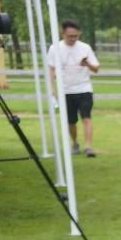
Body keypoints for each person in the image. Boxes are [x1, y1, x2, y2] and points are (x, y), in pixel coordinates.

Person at [46, 20, 100, 156]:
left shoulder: (85, 47)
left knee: (86, 118)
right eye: (70, 36)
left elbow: (96, 69)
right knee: (71, 121)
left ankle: (88, 147)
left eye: (76, 36)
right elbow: (51, 69)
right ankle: (75, 143)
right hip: (65, 90)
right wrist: (51, 88)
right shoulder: (54, 48)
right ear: (63, 33)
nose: (73, 39)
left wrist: (87, 64)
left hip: (84, 89)